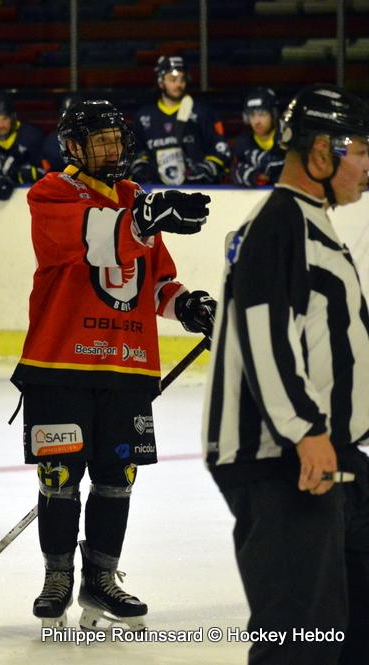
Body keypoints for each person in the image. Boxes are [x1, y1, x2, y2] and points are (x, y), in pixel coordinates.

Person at [10, 99, 215, 632]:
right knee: (59, 476)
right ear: (73, 147)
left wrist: (188, 307)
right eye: (99, 140)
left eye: (115, 139)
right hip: (59, 364)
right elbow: (94, 239)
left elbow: (156, 283)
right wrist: (146, 216)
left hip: (127, 366)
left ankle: (100, 577)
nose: (112, 148)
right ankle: (57, 576)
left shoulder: (134, 196)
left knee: (116, 478)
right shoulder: (51, 192)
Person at [203, 84, 369, 665]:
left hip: (326, 456)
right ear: (323, 153)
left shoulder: (310, 224)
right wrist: (306, 431)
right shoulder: (282, 222)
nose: (368, 169)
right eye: (363, 153)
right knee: (302, 637)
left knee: (345, 629)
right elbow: (265, 333)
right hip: (284, 462)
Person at [131, 55, 231, 185]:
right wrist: (141, 166)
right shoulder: (143, 117)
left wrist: (207, 168)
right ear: (161, 82)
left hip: (197, 189)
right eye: (173, 79)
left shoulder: (202, 112)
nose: (179, 84)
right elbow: (136, 150)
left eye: (182, 79)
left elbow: (221, 148)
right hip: (157, 192)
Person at [0, 93, 45, 201]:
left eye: (5, 118)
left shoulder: (32, 137)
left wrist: (21, 174)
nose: (1, 125)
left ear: (12, 118)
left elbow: (47, 172)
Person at [231, 87, 286, 187]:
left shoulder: (287, 137)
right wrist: (253, 175)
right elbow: (235, 170)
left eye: (262, 114)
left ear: (273, 114)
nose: (257, 121)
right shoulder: (243, 142)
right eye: (252, 115)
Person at [41, 93, 81, 175]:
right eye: (67, 116)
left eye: (74, 116)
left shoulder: (94, 136)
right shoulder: (51, 142)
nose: (70, 120)